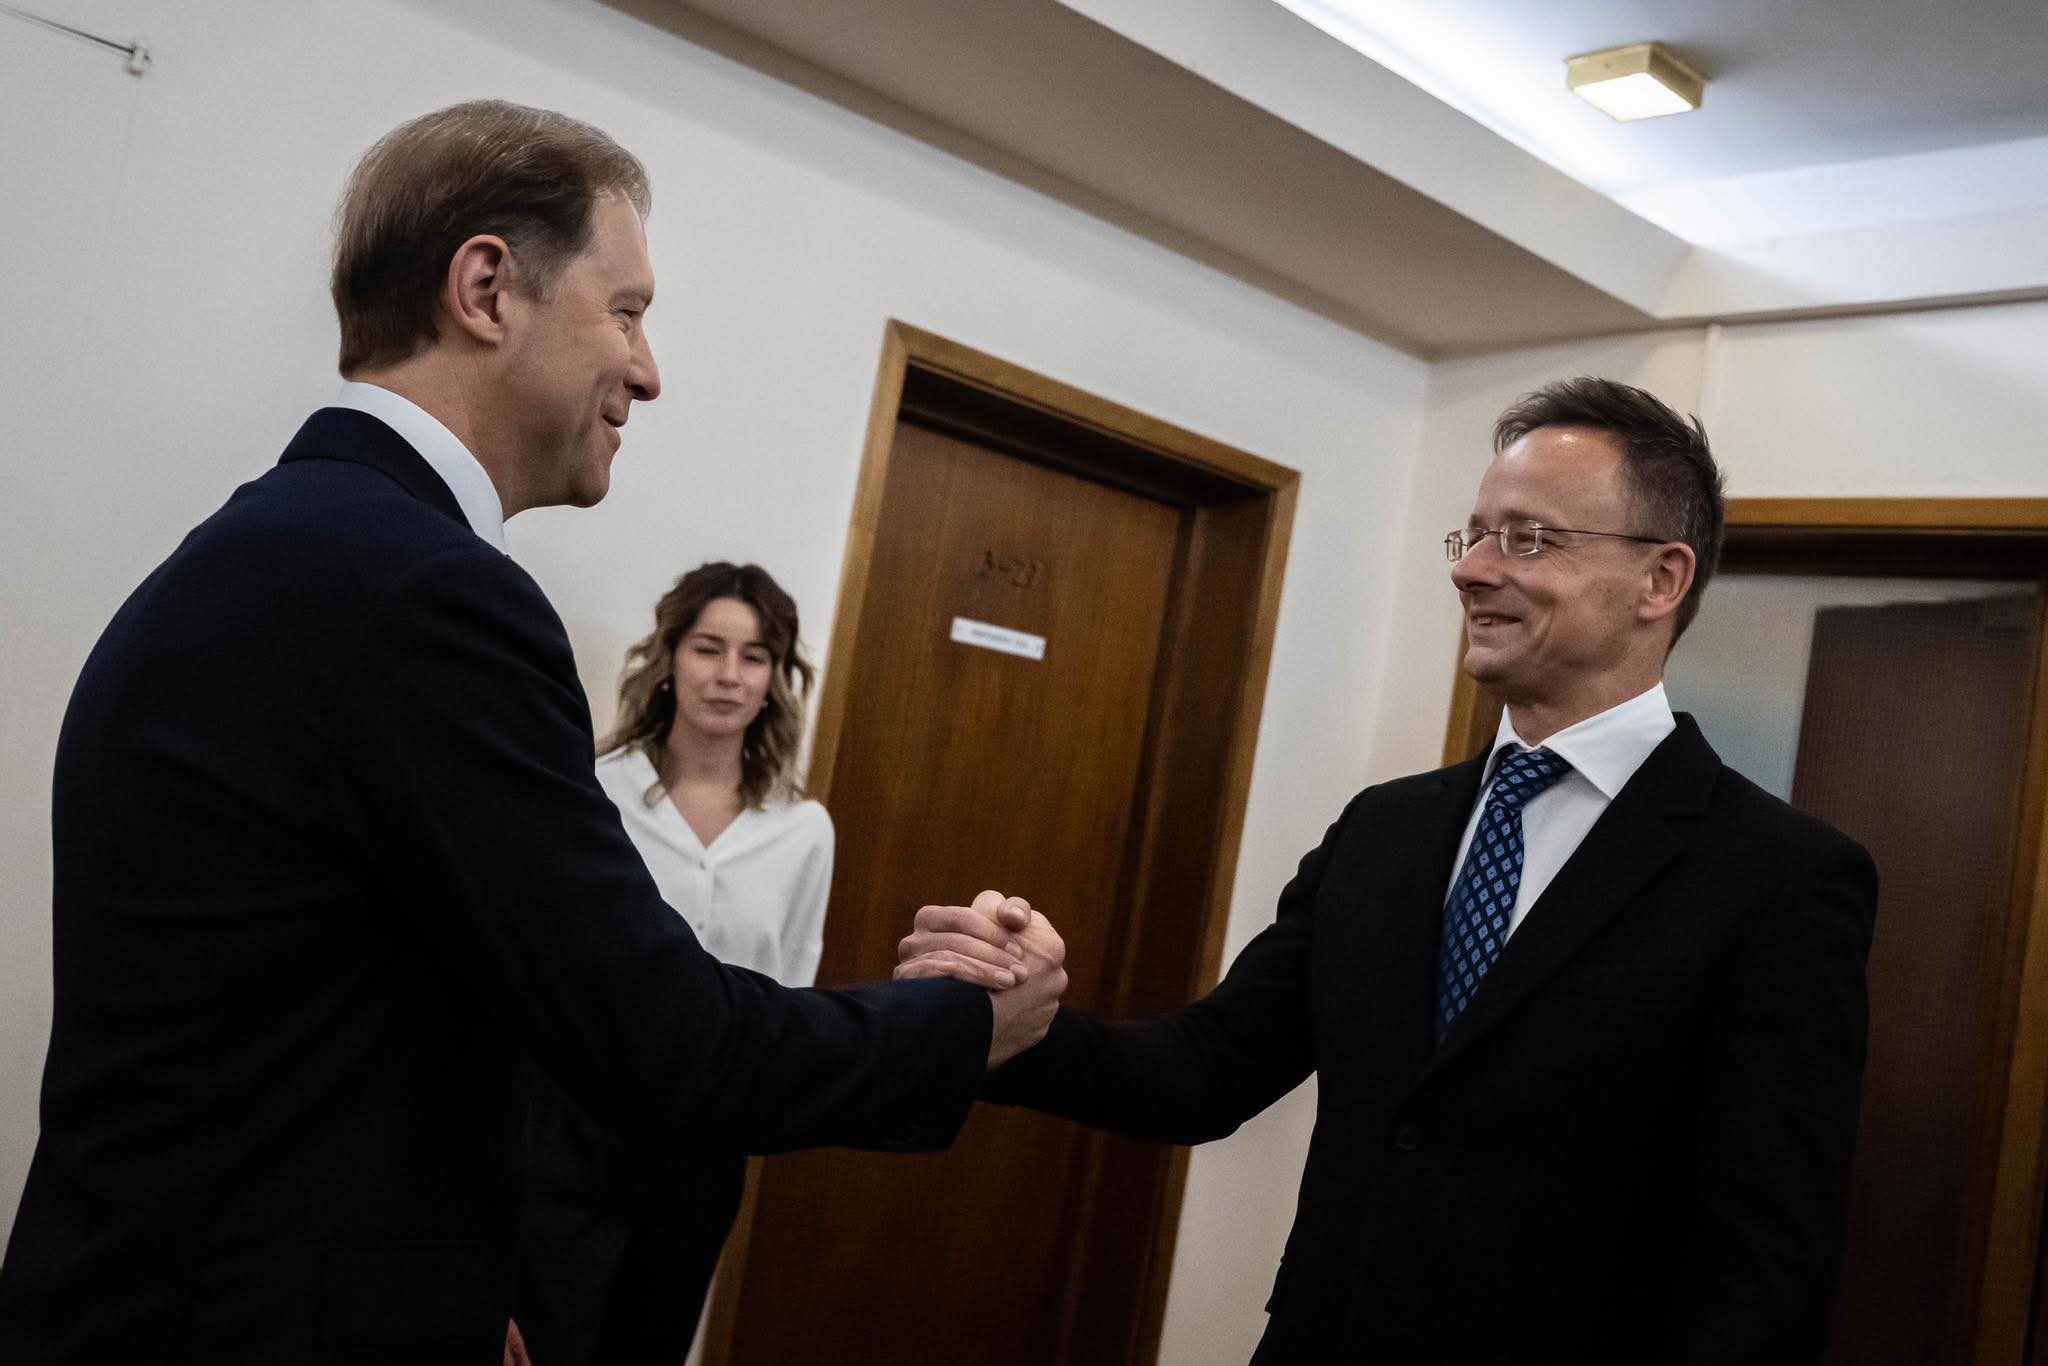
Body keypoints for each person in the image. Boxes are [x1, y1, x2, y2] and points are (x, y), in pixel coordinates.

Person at [0, 100, 1063, 1365]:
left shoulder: (264, 549)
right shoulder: (429, 595)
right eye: (627, 312)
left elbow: (339, 1023)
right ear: (487, 288)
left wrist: (460, 1286)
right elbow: (661, 1039)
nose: (649, 372)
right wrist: (961, 1026)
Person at [900, 377, 1878, 1364]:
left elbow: (1768, 1266)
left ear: (1659, 580)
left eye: (1527, 539)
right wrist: (1017, 1025)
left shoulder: (1780, 878)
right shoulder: (1385, 829)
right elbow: (1206, 1070)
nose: (1471, 571)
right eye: (1474, 535)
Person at [517, 562, 834, 1365]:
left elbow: (792, 994)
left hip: (704, 1143)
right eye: (708, 648)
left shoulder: (803, 831)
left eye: (755, 656)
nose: (729, 675)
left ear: (775, 679)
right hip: (575, 1131)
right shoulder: (596, 789)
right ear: (669, 659)